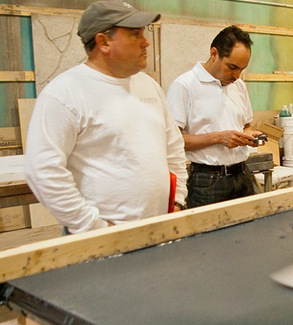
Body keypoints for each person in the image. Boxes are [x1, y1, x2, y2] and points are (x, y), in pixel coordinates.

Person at [24, 0, 188, 234]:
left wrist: (178, 202)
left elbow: (173, 149)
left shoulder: (149, 86)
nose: (146, 42)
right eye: (135, 34)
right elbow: (42, 170)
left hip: (159, 228)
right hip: (101, 237)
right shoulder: (65, 93)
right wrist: (94, 227)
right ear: (103, 41)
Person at [167, 25, 265, 208]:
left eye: (242, 69)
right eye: (232, 67)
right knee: (209, 236)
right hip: (207, 182)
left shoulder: (239, 86)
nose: (237, 75)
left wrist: (250, 136)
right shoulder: (184, 86)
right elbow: (173, 142)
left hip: (242, 173)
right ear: (214, 54)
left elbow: (246, 126)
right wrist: (219, 138)